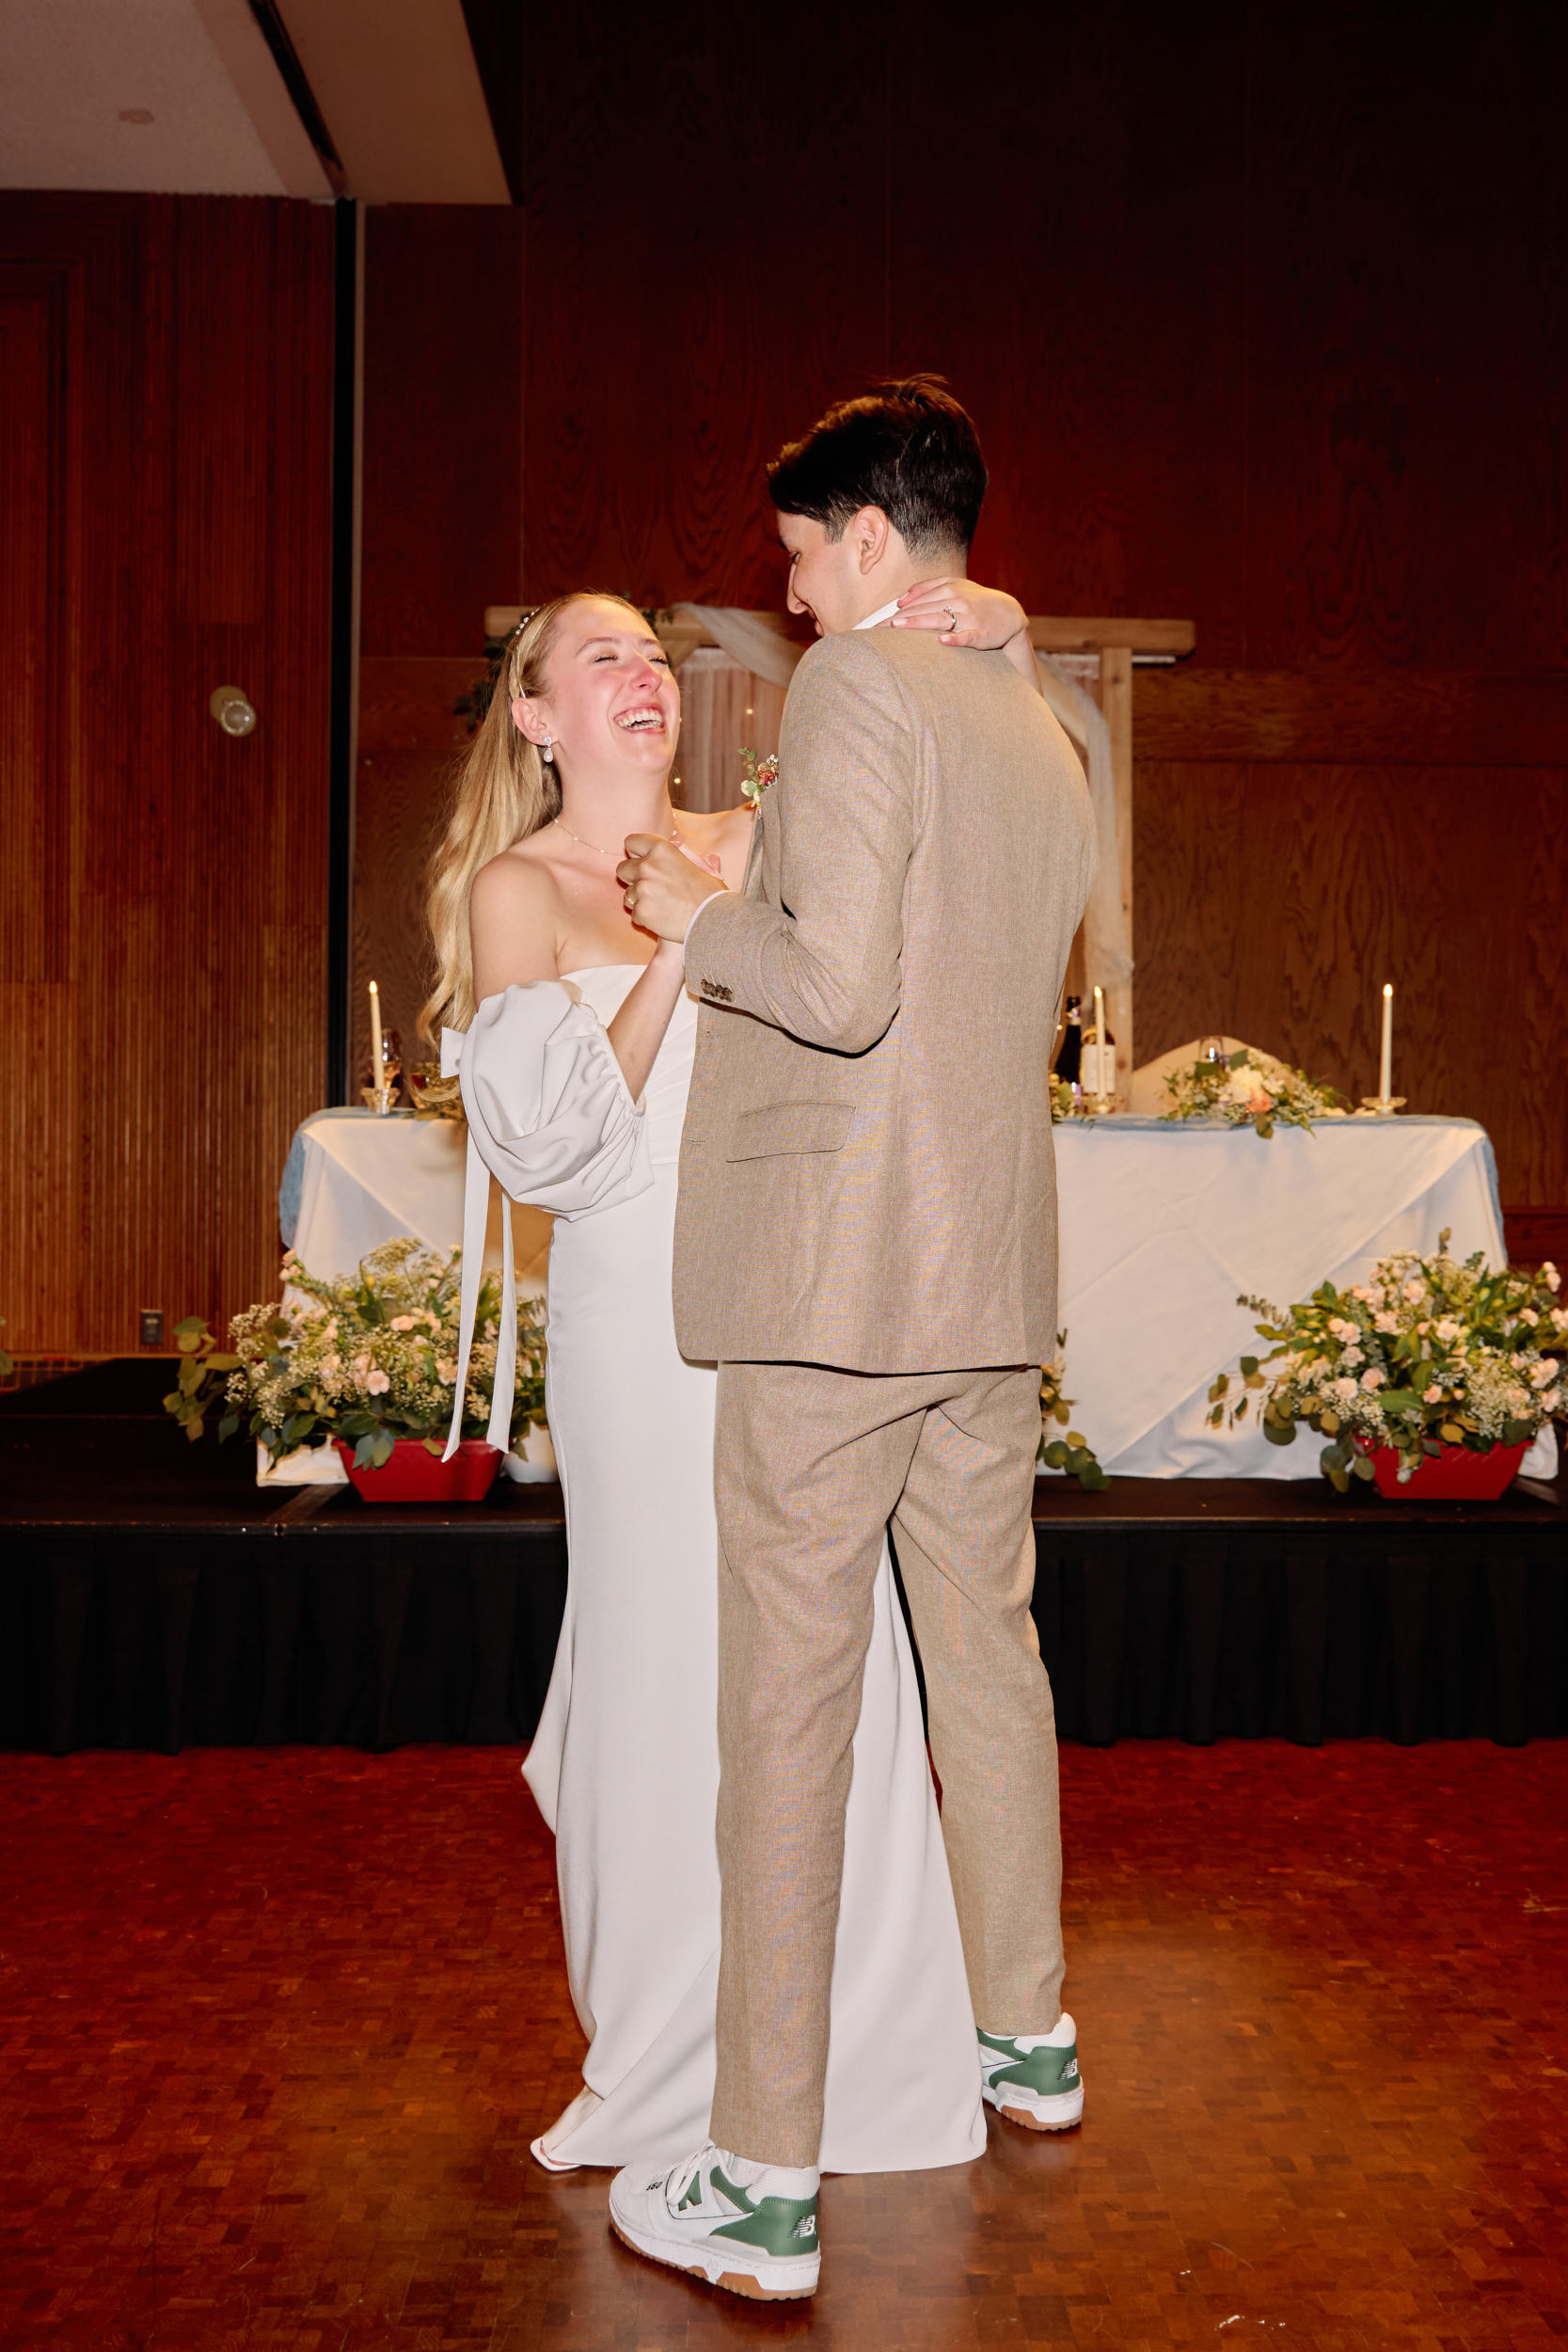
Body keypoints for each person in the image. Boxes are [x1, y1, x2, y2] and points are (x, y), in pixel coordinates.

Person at [423, 567, 1039, 2184]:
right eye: (599, 658)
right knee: (662, 1667)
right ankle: (672, 2057)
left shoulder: (763, 836)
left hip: (790, 1296)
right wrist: (676, 946)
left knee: (831, 1669)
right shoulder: (516, 889)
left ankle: (859, 2050)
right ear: (542, 716)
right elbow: (551, 1154)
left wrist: (998, 637)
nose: (644, 674)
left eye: (654, 654)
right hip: (634, 1320)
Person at [606, 377, 1098, 2301]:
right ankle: (1028, 2036)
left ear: (874, 539)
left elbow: (831, 981)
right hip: (985, 1284)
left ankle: (761, 2177)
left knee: (789, 1715)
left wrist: (697, 902)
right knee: (991, 1653)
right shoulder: (1045, 725)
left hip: (837, 1288)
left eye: (804, 555)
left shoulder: (862, 691)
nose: (794, 596)